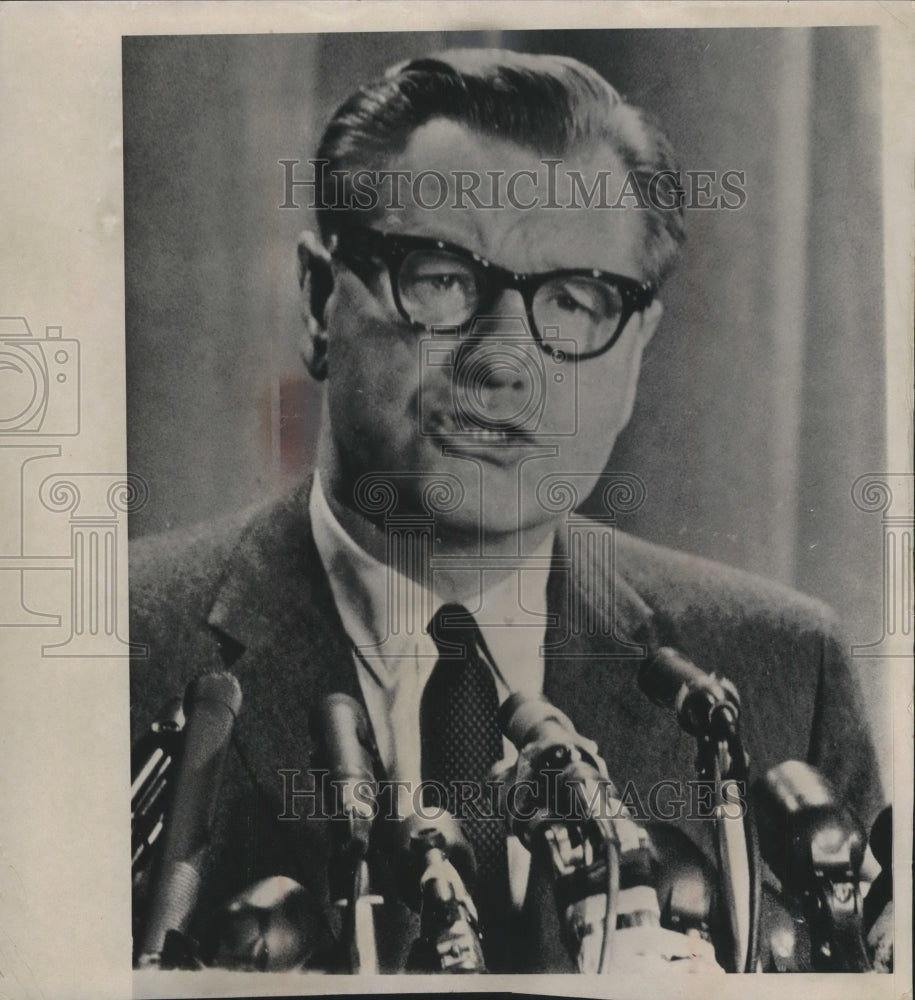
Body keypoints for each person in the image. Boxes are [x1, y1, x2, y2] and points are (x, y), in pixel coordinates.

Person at [129, 49, 884, 974]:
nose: (504, 361)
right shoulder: (118, 649)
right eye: (442, 280)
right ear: (321, 302)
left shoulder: (777, 671)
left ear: (637, 347)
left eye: (573, 302)